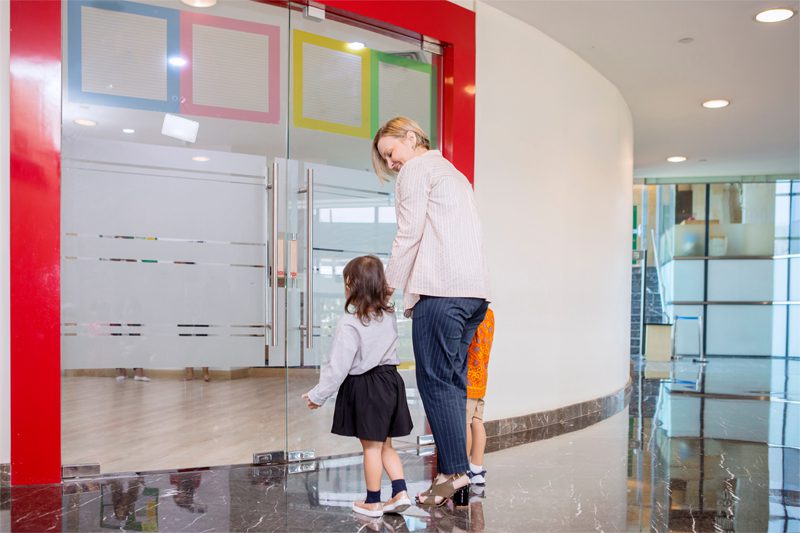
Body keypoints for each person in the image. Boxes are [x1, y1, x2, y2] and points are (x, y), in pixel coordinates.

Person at [372, 117, 490, 507]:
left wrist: (386, 288)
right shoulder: (454, 174)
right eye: (386, 159)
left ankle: (453, 473)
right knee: (453, 386)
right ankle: (450, 476)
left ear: (411, 137)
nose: (391, 164)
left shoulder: (417, 170)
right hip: (475, 297)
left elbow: (409, 233)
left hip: (440, 294)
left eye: (391, 153)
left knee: (436, 384)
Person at [302, 255, 414, 518]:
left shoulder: (350, 323)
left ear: (351, 285)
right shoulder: (388, 315)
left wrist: (318, 395)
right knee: (386, 444)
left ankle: (373, 501)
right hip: (390, 382)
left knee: (371, 448)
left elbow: (338, 367)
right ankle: (400, 492)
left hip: (367, 387)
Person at [465, 307, 494, 486]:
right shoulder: (490, 313)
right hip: (482, 375)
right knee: (477, 420)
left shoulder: (471, 313)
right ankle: (477, 469)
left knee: (465, 423)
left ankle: (461, 470)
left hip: (467, 376)